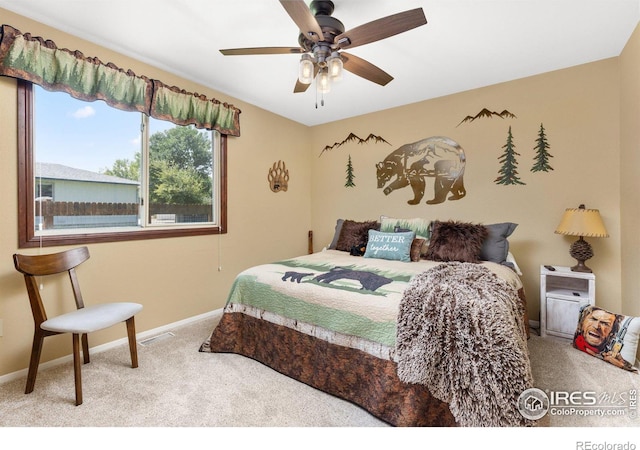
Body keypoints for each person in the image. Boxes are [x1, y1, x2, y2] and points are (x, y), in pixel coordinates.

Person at [573, 305, 636, 371]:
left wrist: (621, 364)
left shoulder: (607, 353)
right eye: (593, 319)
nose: (596, 326)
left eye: (605, 323)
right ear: (582, 323)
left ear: (612, 333)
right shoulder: (576, 344)